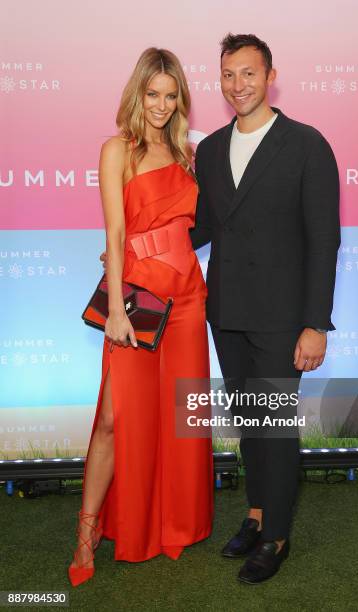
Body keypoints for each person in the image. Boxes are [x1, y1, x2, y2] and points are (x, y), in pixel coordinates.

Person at [189, 33, 340, 584]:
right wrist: (143, 243)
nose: (238, 86)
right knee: (250, 423)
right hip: (227, 312)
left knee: (274, 427)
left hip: (283, 317)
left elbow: (325, 240)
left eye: (248, 73)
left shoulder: (305, 144)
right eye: (229, 75)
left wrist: (315, 324)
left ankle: (276, 535)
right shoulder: (208, 149)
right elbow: (202, 226)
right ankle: (255, 515)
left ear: (269, 74)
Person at [69, 47, 213, 587]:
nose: (161, 104)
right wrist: (114, 309)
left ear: (180, 101)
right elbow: (115, 232)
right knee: (114, 416)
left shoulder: (185, 154)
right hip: (136, 301)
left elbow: (193, 226)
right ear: (138, 94)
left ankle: (174, 526)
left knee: (180, 419)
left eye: (170, 95)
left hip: (187, 301)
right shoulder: (117, 150)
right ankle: (86, 537)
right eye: (152, 94)